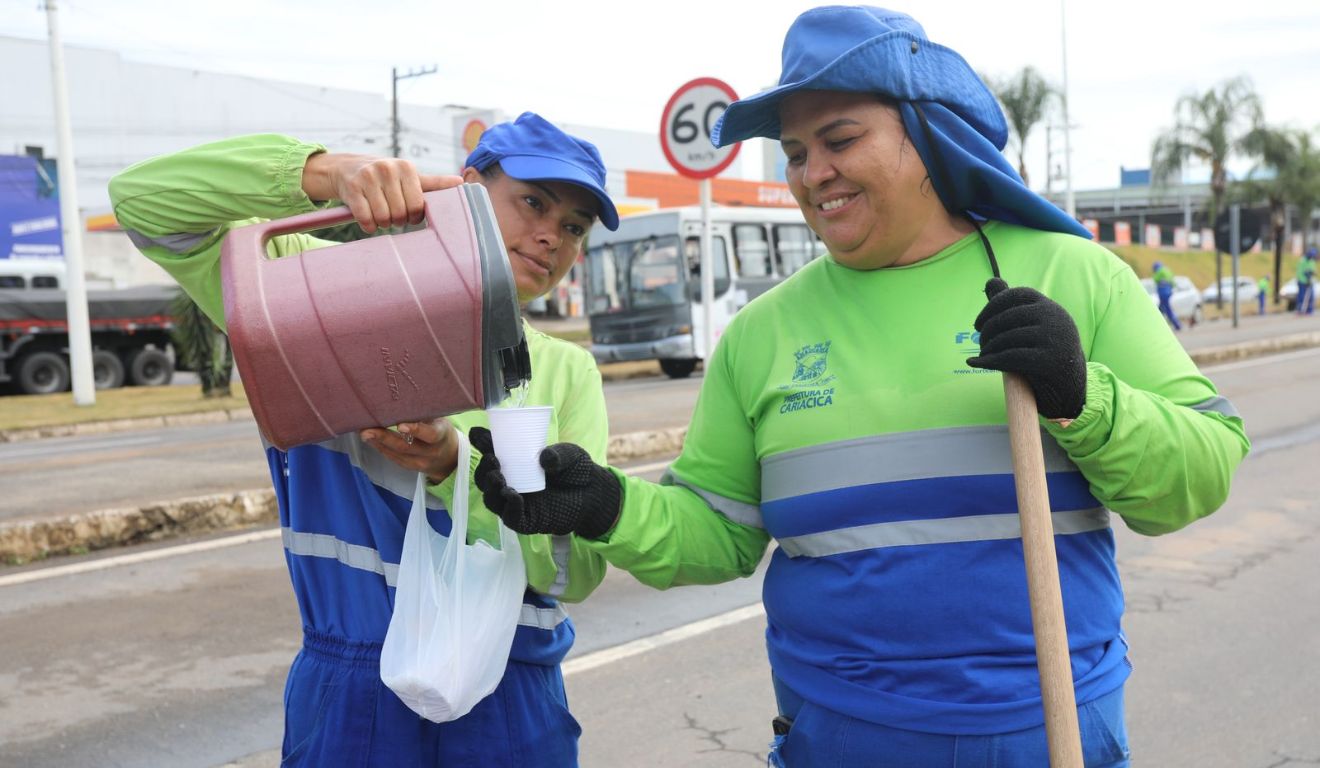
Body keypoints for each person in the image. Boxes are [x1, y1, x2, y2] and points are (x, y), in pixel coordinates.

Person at [470, 7, 1250, 767]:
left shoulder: (1068, 275)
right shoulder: (761, 334)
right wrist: (608, 503)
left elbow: (1199, 474)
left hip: (1048, 733)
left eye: (840, 140)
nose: (814, 174)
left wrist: (1085, 398)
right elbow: (718, 535)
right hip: (835, 735)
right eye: (796, 152)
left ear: (928, 135)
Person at [108, 112, 620, 767]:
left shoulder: (567, 372)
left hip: (511, 682)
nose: (550, 234)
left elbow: (574, 572)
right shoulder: (308, 292)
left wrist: (455, 468)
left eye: (573, 226)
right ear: (462, 191)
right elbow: (144, 204)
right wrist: (327, 173)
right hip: (355, 687)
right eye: (532, 201)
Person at [1152, 260, 1181, 330]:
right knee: (1162, 309)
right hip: (1168, 292)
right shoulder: (1167, 270)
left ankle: (1176, 325)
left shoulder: (1159, 271)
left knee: (1166, 310)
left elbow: (1155, 279)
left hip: (1163, 293)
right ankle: (1159, 325)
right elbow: (1173, 281)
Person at [1297, 248, 1316, 315]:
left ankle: (1309, 310)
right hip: (1302, 281)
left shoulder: (1312, 261)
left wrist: (1312, 273)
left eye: (1312, 256)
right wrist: (1305, 279)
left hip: (1310, 281)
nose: (1311, 257)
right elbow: (1300, 272)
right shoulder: (1303, 260)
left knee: (1311, 296)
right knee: (1301, 296)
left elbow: (1313, 270)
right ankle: (1300, 310)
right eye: (1311, 255)